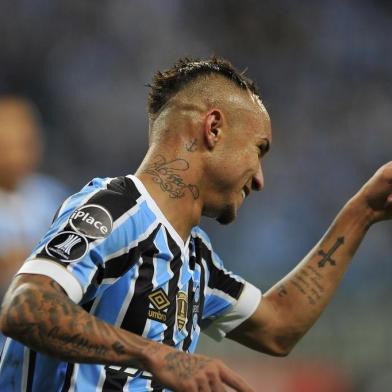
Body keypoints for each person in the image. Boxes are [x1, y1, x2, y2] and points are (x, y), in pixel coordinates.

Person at [0, 57, 391, 392]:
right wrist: (155, 354)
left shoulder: (196, 260)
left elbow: (279, 326)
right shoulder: (115, 207)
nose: (259, 178)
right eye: (259, 150)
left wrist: (363, 212)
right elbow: (25, 306)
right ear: (214, 128)